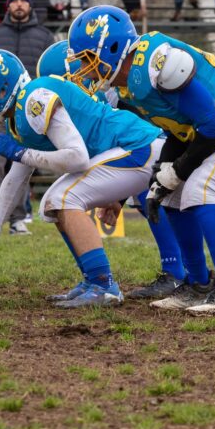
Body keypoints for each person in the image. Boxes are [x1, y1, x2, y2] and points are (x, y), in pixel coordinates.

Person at [68, 6, 215, 315]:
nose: (85, 68)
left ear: (112, 48)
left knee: (200, 187)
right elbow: (180, 129)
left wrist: (178, 170)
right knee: (169, 195)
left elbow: (214, 125)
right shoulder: (130, 83)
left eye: (88, 59)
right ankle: (197, 284)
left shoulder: (156, 63)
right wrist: (162, 173)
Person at [0, 49, 164, 307]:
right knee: (51, 203)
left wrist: (20, 153)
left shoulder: (34, 99)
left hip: (138, 145)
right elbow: (15, 177)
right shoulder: (19, 113)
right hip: (130, 148)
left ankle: (103, 285)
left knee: (62, 198)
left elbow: (77, 158)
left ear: (1, 90)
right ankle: (93, 279)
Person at [36, 40, 188, 299]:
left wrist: (117, 197)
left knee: (151, 194)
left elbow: (134, 137)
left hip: (168, 148)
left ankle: (178, 271)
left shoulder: (114, 92)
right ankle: (178, 272)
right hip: (146, 152)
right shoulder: (83, 100)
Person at [0, 0, 54, 235]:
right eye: (15, 0)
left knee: (22, 163)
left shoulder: (44, 36)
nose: (19, 4)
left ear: (30, 5)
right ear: (8, 5)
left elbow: (50, 74)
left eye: (23, 0)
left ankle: (17, 218)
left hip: (29, 113)